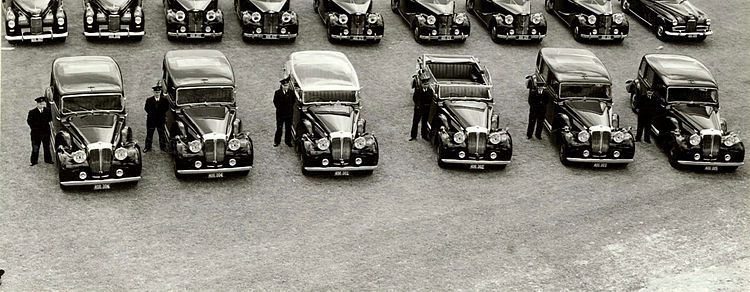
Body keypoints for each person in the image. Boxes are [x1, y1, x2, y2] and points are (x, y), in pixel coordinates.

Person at [27, 96, 52, 166]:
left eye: (43, 104)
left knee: (46, 147)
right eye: (40, 104)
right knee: (35, 148)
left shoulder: (47, 111)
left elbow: (50, 119)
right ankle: (34, 161)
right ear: (37, 104)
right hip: (36, 134)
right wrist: (35, 128)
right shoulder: (32, 112)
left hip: (46, 133)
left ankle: (48, 160)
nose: (41, 105)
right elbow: (29, 122)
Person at [144, 84, 169, 152]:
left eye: (158, 92)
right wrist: (153, 114)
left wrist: (161, 114)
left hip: (160, 120)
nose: (157, 94)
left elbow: (166, 108)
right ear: (153, 92)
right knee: (149, 134)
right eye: (156, 92)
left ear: (160, 92)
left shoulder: (164, 100)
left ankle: (163, 147)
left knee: (162, 134)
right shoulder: (149, 100)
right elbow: (146, 109)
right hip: (151, 120)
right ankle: (147, 147)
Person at [273, 77, 294, 147]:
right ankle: (277, 141)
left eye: (287, 85)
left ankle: (288, 141)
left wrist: (289, 110)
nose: (286, 87)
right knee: (279, 128)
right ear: (282, 85)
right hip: (280, 114)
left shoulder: (291, 93)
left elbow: (293, 102)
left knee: (288, 128)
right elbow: (275, 102)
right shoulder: (277, 93)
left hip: (289, 114)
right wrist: (279, 109)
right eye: (284, 85)